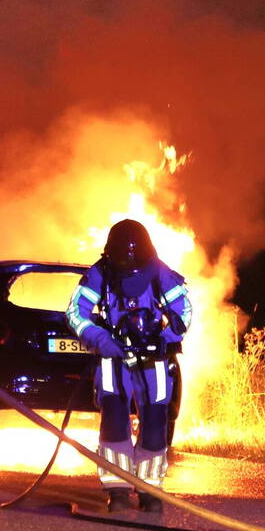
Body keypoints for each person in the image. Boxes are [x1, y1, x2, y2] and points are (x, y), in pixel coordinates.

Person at [65, 219, 191, 513]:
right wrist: (99, 337)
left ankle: (149, 489)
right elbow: (75, 311)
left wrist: (166, 335)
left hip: (154, 359)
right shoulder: (101, 273)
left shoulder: (160, 273)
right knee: (114, 420)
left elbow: (183, 310)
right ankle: (117, 489)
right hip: (114, 357)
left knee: (155, 423)